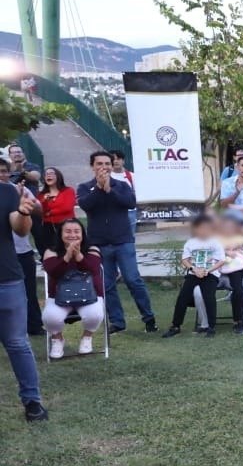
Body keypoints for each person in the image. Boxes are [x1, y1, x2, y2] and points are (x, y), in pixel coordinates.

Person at [76, 151, 157, 333]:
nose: (103, 167)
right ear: (92, 166)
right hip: (99, 243)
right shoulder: (84, 187)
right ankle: (118, 322)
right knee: (107, 284)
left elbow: (129, 203)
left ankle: (149, 317)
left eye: (107, 164)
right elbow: (86, 205)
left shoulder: (121, 185)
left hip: (122, 241)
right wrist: (98, 188)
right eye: (99, 164)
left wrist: (109, 190)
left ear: (112, 166)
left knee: (133, 280)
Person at [0, 177, 45, 420]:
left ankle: (32, 403)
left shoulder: (6, 191)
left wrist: (22, 211)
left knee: (17, 344)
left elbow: (19, 227)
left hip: (6, 279)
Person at [41, 218, 104, 359]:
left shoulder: (93, 249)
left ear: (83, 234)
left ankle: (87, 337)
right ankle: (57, 339)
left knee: (95, 314)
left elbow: (93, 269)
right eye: (68, 231)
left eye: (77, 231)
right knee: (50, 317)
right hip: (59, 296)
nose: (72, 235)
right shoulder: (51, 252)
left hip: (89, 294)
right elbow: (53, 272)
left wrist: (78, 256)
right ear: (60, 234)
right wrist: (67, 256)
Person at [161, 215, 226, 338]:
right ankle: (175, 326)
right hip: (194, 273)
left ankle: (211, 327)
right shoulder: (191, 242)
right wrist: (194, 269)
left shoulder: (215, 242)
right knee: (182, 297)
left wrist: (207, 270)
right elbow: (185, 260)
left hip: (210, 273)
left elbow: (221, 261)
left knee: (209, 296)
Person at [0, 162, 43, 336]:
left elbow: (39, 209)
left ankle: (34, 326)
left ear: (9, 174)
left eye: (4, 172)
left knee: (29, 291)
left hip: (22, 250)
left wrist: (24, 206)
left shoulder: (16, 190)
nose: (1, 175)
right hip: (6, 255)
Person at [35, 166, 75, 254]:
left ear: (58, 176)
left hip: (67, 224)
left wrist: (51, 212)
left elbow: (67, 207)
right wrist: (45, 202)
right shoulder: (41, 195)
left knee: (69, 250)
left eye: (51, 173)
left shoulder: (68, 190)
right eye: (46, 174)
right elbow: (42, 212)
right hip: (48, 227)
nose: (48, 175)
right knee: (52, 250)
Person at [107, 149, 138, 238]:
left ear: (123, 161)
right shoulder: (105, 176)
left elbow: (136, 194)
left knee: (130, 237)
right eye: (113, 159)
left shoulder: (132, 176)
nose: (116, 161)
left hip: (130, 213)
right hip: (112, 212)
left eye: (118, 159)